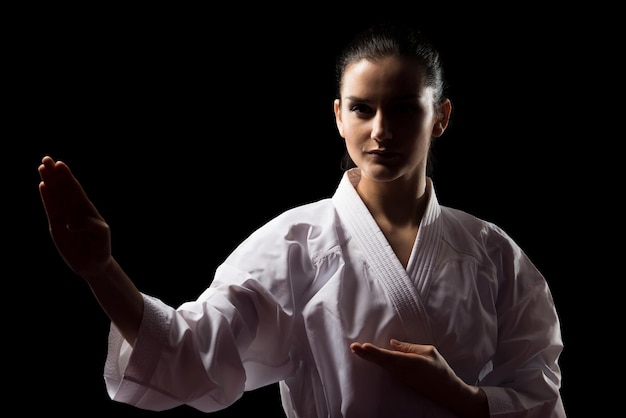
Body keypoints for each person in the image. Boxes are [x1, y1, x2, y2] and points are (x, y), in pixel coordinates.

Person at [37, 21, 566, 418]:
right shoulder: (295, 243)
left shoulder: (494, 254)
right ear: (338, 116)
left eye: (405, 108)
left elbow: (541, 398)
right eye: (362, 108)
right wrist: (101, 270)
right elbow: (189, 351)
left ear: (442, 117)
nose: (380, 129)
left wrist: (464, 397)